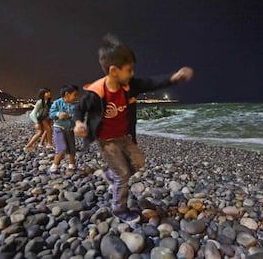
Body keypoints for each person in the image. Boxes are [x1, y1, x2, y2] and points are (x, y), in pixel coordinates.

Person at [74, 33, 193, 223]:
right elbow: (80, 109)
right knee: (123, 175)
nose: (132, 73)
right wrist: (79, 123)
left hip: (125, 136)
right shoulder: (96, 92)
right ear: (114, 70)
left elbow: (152, 83)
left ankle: (109, 174)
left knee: (139, 163)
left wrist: (174, 77)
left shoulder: (130, 86)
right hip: (106, 141)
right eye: (129, 69)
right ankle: (119, 208)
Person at [48, 85, 79, 174]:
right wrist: (58, 114)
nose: (76, 97)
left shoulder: (74, 105)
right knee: (61, 148)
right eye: (75, 95)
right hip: (59, 128)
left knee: (71, 147)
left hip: (70, 129)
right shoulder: (57, 103)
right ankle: (54, 167)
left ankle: (72, 165)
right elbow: (51, 113)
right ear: (67, 94)